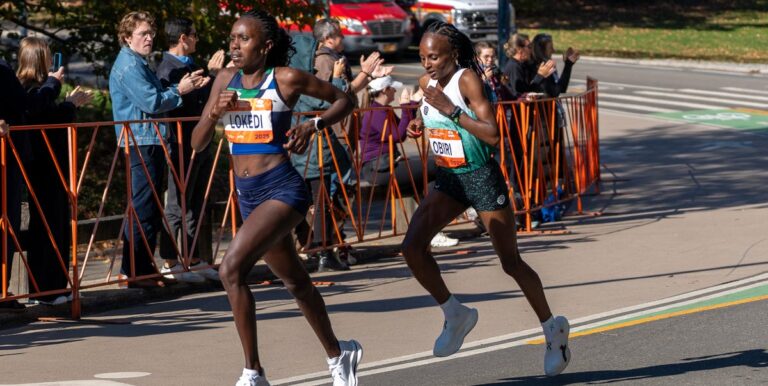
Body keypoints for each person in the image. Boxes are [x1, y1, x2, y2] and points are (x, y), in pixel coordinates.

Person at [190, 10, 362, 386]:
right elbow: (197, 143)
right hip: (247, 196)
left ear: (266, 47)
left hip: (283, 190)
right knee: (297, 283)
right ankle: (340, 353)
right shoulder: (224, 79)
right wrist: (213, 113)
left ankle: (253, 372)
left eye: (244, 39)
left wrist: (313, 125)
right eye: (232, 38)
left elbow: (344, 100)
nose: (235, 46)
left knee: (230, 269)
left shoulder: (285, 78)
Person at [401, 22, 571, 377]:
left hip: (480, 175)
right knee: (412, 248)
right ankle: (455, 314)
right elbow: (431, 114)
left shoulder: (467, 81)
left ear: (453, 55)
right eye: (421, 57)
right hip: (449, 178)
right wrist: (420, 121)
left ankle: (552, 329)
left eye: (433, 56)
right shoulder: (425, 84)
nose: (427, 64)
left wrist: (451, 111)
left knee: (510, 263)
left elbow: (493, 136)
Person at [109, 11, 210, 288]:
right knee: (143, 206)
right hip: (140, 140)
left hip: (148, 139)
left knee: (150, 207)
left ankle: (142, 268)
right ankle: (134, 271)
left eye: (151, 33)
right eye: (143, 34)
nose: (149, 38)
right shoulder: (129, 66)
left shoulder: (137, 62)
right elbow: (152, 102)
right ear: (128, 37)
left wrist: (181, 88)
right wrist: (181, 90)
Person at [291, 18, 391, 271]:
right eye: (339, 35)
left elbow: (343, 93)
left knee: (324, 195)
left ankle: (328, 246)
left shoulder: (323, 60)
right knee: (325, 195)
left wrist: (366, 77)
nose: (344, 39)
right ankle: (322, 248)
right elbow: (331, 98)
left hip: (325, 136)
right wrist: (364, 75)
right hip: (324, 136)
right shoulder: (325, 61)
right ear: (327, 39)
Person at [16, 37, 93, 305]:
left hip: (53, 162)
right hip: (41, 163)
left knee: (57, 220)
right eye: (47, 55)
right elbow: (37, 114)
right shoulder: (29, 87)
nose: (52, 61)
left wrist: (69, 104)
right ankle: (44, 288)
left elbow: (49, 117)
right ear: (39, 58)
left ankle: (56, 286)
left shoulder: (43, 89)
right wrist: (61, 95)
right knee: (46, 223)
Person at [155, 17, 222, 283]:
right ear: (183, 38)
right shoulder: (167, 68)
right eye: (193, 34)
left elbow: (206, 101)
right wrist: (211, 78)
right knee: (177, 201)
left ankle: (193, 257)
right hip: (180, 141)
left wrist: (215, 78)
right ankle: (171, 260)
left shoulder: (193, 65)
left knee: (195, 199)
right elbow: (173, 104)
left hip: (200, 139)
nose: (197, 39)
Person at [358, 77, 458, 248]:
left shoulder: (382, 109)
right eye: (392, 89)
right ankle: (436, 226)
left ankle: (430, 231)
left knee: (430, 182)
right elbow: (398, 135)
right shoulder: (375, 112)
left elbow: (405, 126)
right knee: (435, 165)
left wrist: (412, 103)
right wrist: (405, 106)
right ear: (384, 90)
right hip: (379, 170)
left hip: (386, 165)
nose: (395, 92)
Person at [0, 58, 28, 312]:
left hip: (8, 154)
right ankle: (2, 288)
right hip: (5, 157)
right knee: (6, 221)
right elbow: (22, 104)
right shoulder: (3, 71)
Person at [502, 33, 555, 100]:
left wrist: (542, 76)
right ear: (519, 49)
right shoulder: (514, 67)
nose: (531, 50)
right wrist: (540, 76)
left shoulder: (522, 65)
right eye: (529, 47)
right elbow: (522, 94)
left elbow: (529, 89)